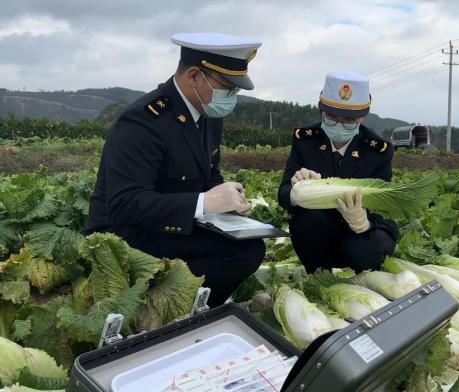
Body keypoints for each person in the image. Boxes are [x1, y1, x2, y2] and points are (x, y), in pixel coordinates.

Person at [86, 33, 264, 306]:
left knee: (250, 246)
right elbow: (125, 205)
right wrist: (206, 201)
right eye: (227, 88)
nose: (231, 97)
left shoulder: (207, 114)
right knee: (240, 254)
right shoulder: (143, 121)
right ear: (194, 76)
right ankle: (167, 307)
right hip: (127, 233)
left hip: (174, 221)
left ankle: (192, 304)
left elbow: (209, 173)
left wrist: (228, 201)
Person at [277, 71, 399, 273]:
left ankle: (363, 273)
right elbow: (283, 194)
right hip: (321, 229)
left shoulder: (377, 151)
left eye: (349, 121)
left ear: (362, 117)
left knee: (364, 248)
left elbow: (381, 208)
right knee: (304, 221)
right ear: (321, 111)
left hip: (359, 231)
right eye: (332, 118)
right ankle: (318, 274)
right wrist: (296, 191)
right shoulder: (305, 141)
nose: (339, 126)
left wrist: (362, 223)